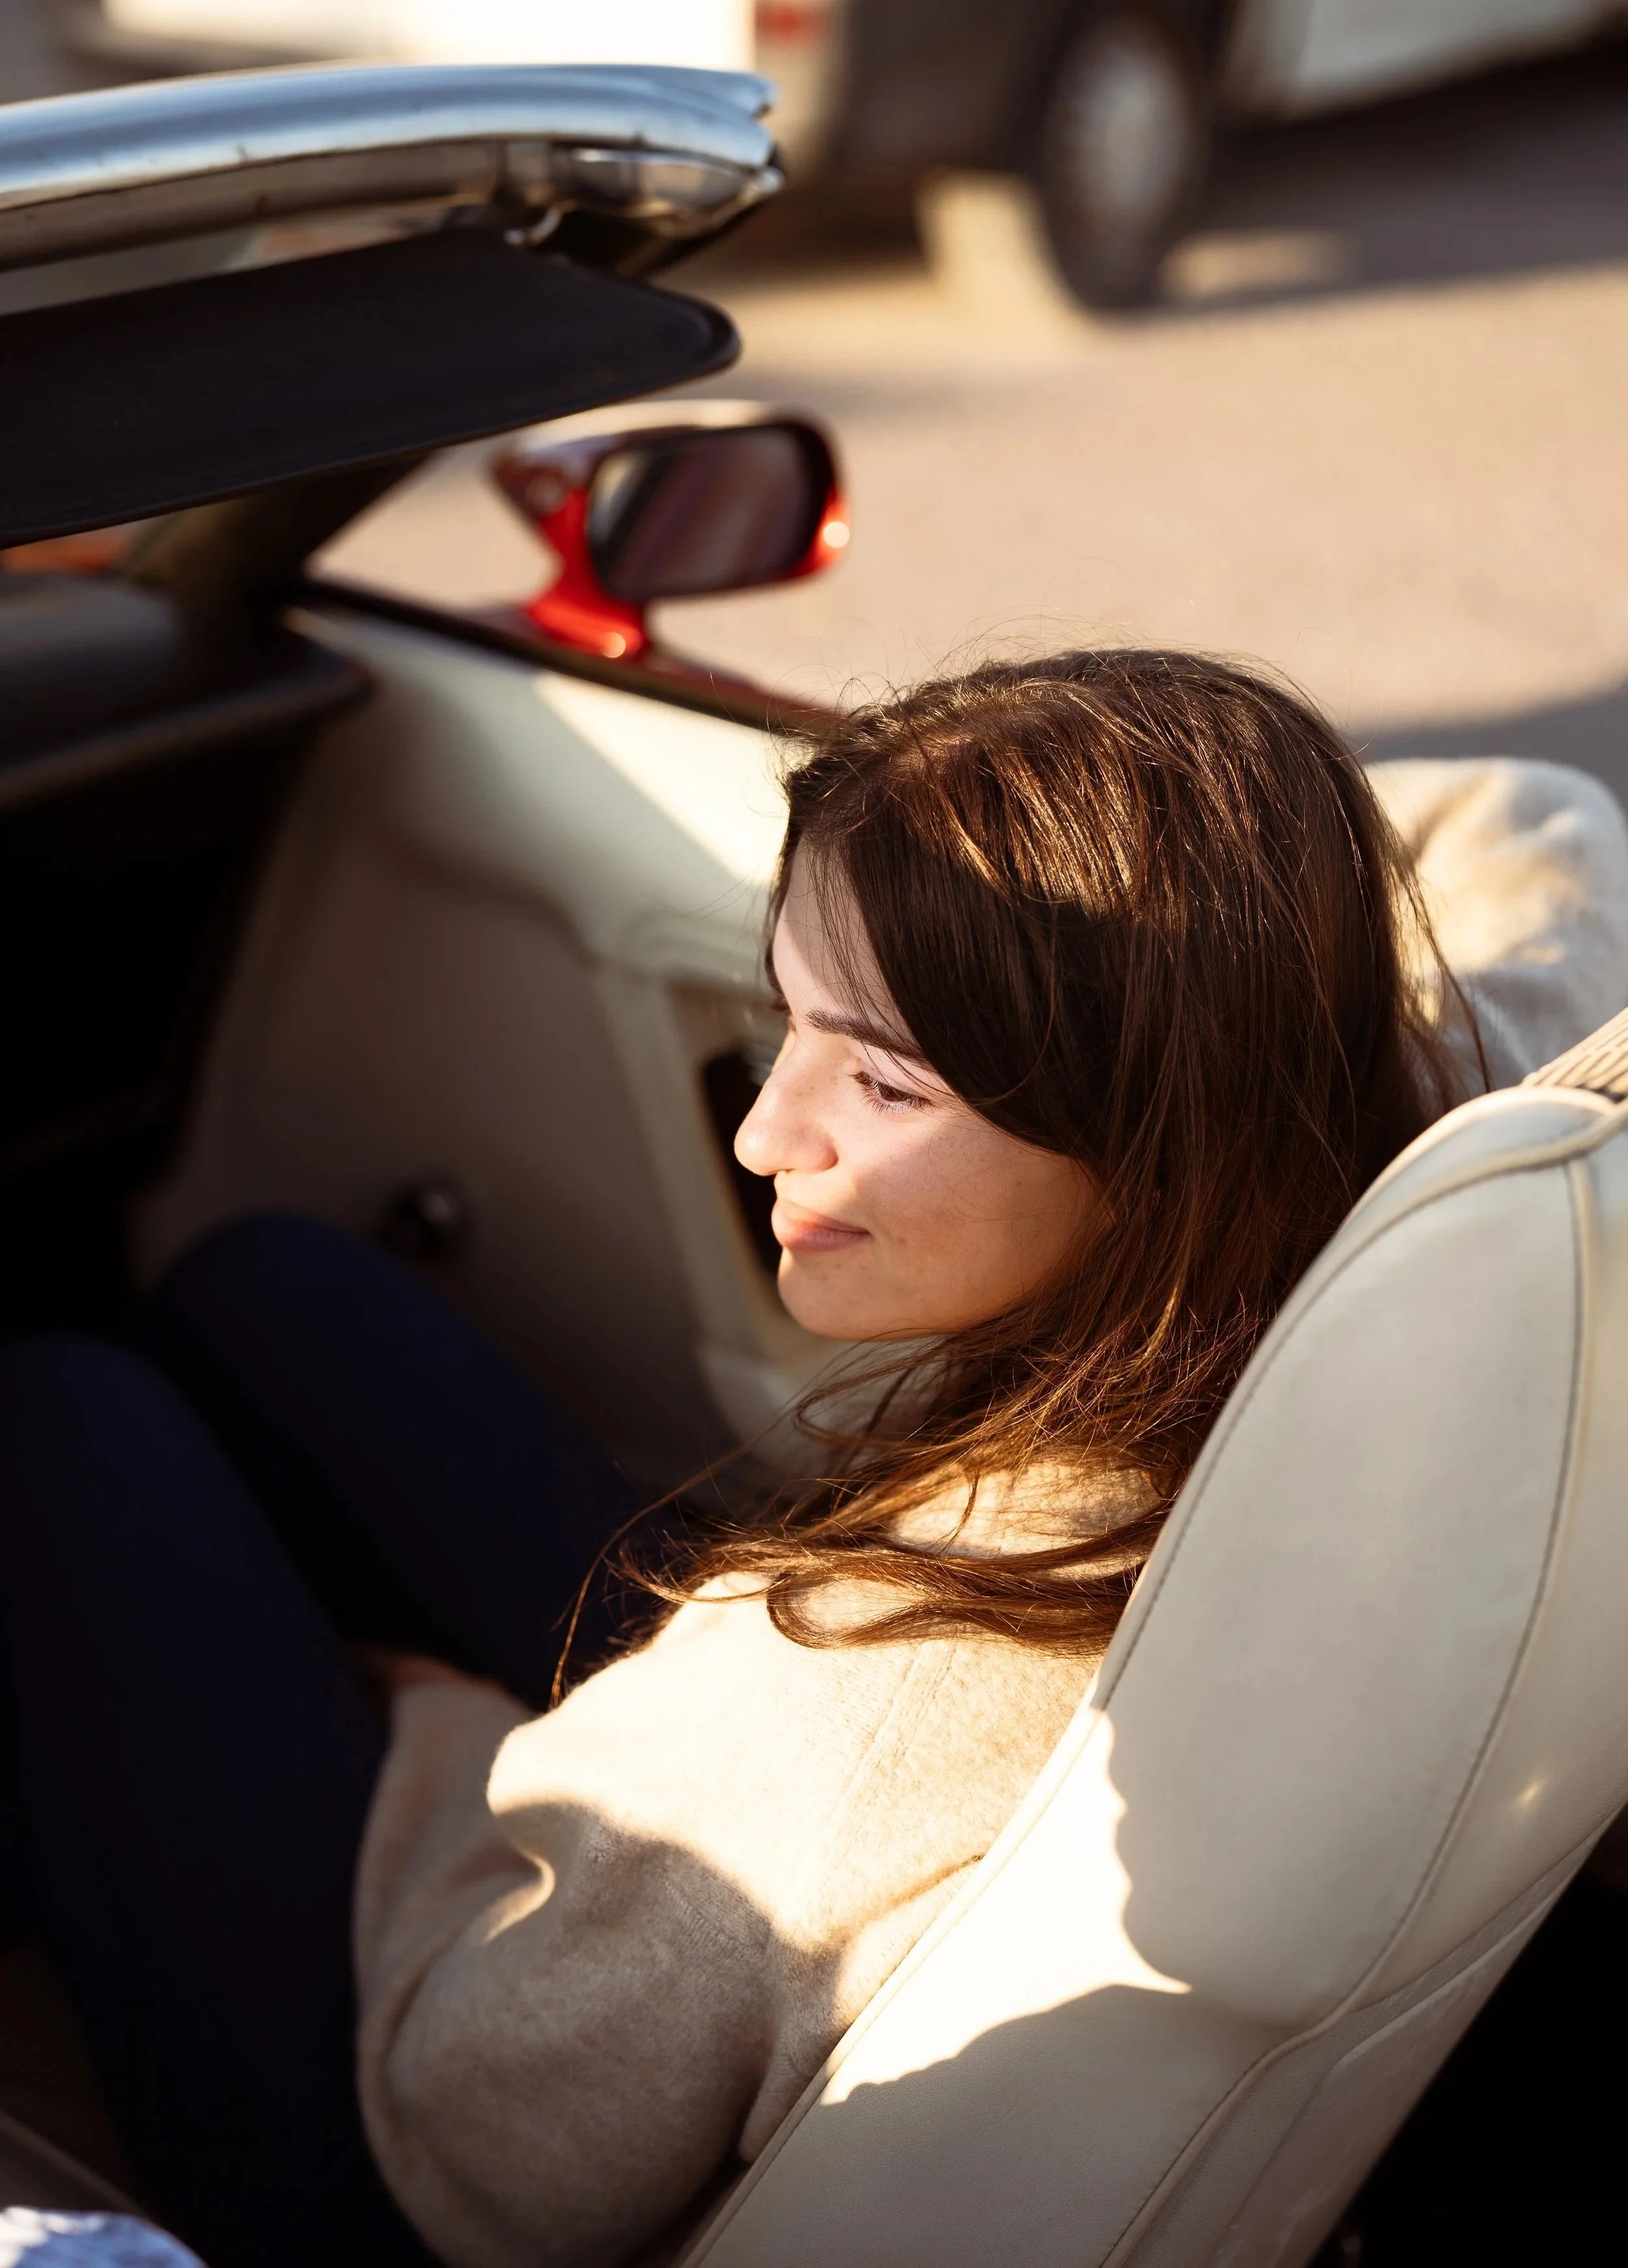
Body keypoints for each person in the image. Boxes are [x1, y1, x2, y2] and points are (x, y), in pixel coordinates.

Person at [0, 653, 1623, 2268]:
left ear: (1149, 1127)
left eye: (881, 1078)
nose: (766, 1132)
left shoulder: (849, 1688)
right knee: (264, 1291)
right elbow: (1537, 821)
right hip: (738, 1824)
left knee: (61, 1422)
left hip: (404, 2147)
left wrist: (427, 1722)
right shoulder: (1419, 1188)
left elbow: (475, 2141)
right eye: (791, 1022)